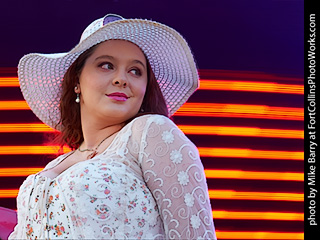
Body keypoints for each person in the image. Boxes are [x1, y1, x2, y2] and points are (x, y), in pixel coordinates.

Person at [9, 14, 216, 239]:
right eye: (106, 65)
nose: (121, 79)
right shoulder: (58, 163)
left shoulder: (150, 132)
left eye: (135, 71)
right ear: (77, 81)